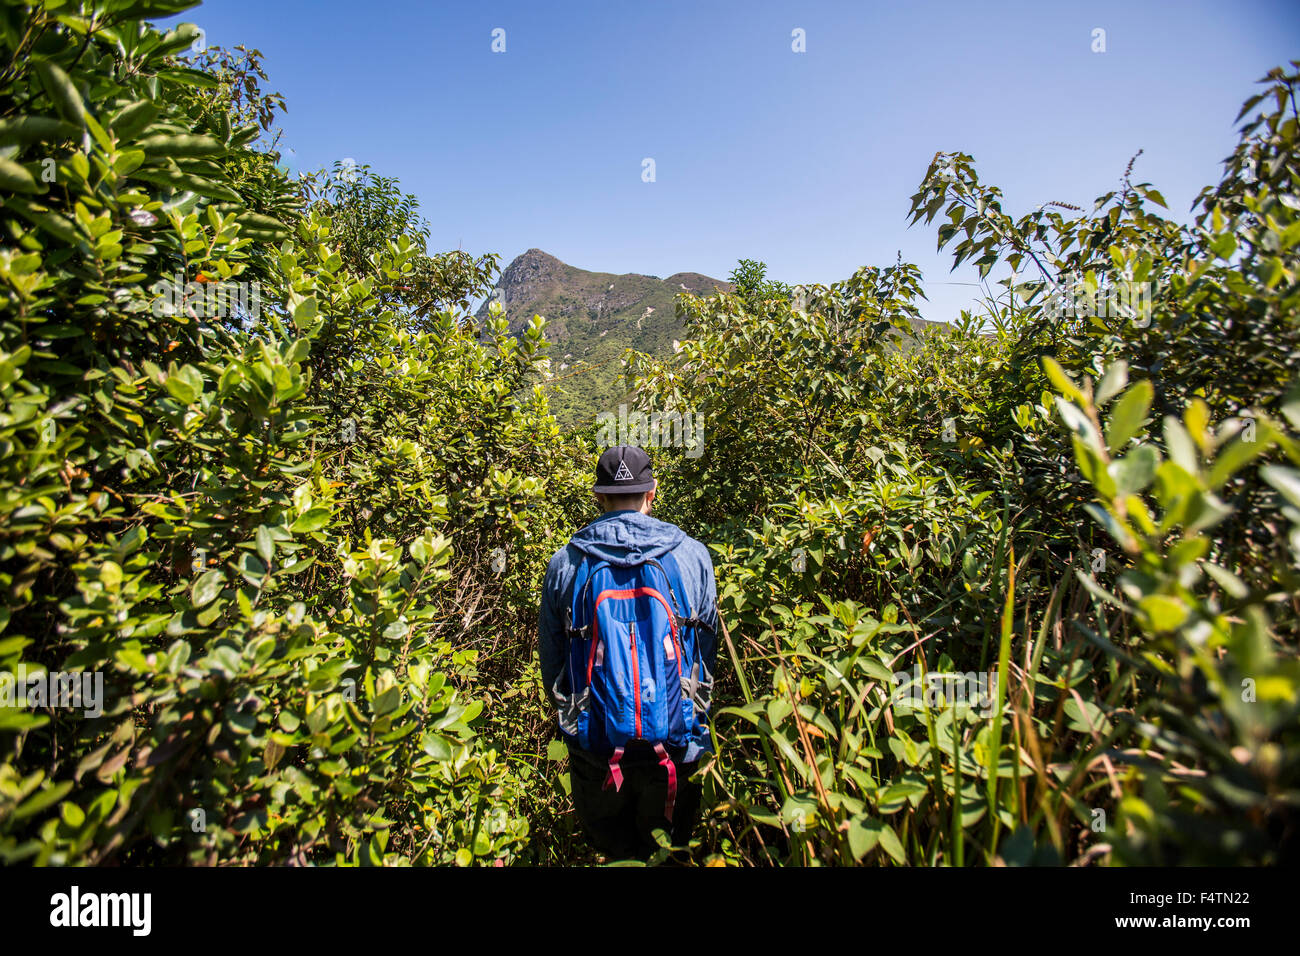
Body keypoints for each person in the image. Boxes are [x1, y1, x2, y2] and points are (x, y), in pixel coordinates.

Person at [537, 444, 719, 860]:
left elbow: (554, 663)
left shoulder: (565, 562)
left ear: (598, 496)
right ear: (652, 492)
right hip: (677, 750)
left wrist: (578, 724)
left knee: (614, 854)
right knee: (671, 854)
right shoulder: (692, 556)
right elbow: (704, 656)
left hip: (596, 750)